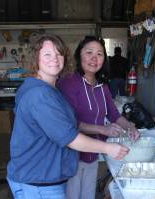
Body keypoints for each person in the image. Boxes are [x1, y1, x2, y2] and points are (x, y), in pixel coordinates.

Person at [6, 33, 130, 199]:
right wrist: (108, 148)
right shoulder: (40, 94)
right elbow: (69, 136)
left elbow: (67, 126)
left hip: (48, 176)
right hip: (38, 182)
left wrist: (128, 126)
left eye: (59, 54)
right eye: (47, 54)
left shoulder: (52, 90)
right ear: (35, 58)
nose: (55, 59)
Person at [57, 36, 139, 199]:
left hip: (93, 153)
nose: (94, 58)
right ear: (79, 55)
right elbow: (68, 124)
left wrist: (130, 126)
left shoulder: (103, 85)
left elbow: (114, 114)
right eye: (89, 52)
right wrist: (103, 129)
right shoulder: (69, 82)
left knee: (88, 195)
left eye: (99, 54)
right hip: (72, 156)